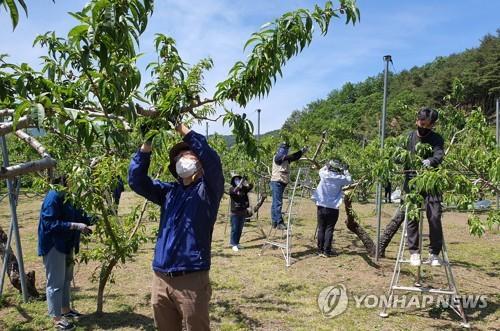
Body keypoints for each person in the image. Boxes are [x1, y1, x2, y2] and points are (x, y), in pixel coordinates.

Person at [128, 123, 224, 331]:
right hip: (161, 278)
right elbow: (136, 180)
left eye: (188, 154)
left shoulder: (208, 192)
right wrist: (147, 143)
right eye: (179, 157)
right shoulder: (168, 192)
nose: (183, 159)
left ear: (199, 162)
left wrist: (183, 130)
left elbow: (213, 161)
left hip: (191, 279)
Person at [38, 176, 93, 331]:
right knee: (55, 282)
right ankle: (56, 318)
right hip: (54, 244)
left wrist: (95, 218)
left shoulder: (69, 195)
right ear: (64, 179)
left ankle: (65, 311)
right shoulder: (53, 196)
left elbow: (79, 215)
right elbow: (49, 223)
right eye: (73, 178)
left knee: (65, 279)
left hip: (66, 244)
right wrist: (75, 226)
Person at [404, 107, 445, 267]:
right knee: (412, 216)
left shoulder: (437, 139)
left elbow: (439, 155)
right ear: (417, 121)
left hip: (431, 182)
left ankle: (434, 253)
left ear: (433, 125)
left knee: (434, 217)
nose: (424, 128)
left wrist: (430, 161)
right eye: (422, 123)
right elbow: (399, 155)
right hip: (412, 182)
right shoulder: (408, 138)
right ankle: (414, 252)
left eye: (428, 125)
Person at [312, 160, 352, 257]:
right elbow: (350, 180)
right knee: (329, 229)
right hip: (333, 207)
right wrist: (346, 170)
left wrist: (326, 165)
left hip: (321, 205)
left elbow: (321, 170)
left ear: (330, 167)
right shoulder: (340, 178)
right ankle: (327, 251)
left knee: (321, 228)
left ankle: (320, 250)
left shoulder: (324, 174)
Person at [270, 142, 308, 230]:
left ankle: (274, 221)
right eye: (284, 148)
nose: (285, 150)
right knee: (278, 203)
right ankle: (279, 222)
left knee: (275, 203)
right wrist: (301, 151)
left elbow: (294, 157)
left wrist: (302, 152)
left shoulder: (285, 159)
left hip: (281, 182)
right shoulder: (278, 157)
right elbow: (291, 156)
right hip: (277, 181)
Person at [228, 175, 253, 252]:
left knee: (240, 229)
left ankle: (237, 243)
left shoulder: (243, 189)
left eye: (239, 179)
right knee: (235, 229)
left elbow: (250, 186)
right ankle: (233, 244)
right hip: (235, 212)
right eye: (236, 180)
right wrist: (240, 183)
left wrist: (246, 181)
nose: (238, 180)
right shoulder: (231, 189)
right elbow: (235, 191)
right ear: (233, 181)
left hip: (243, 211)